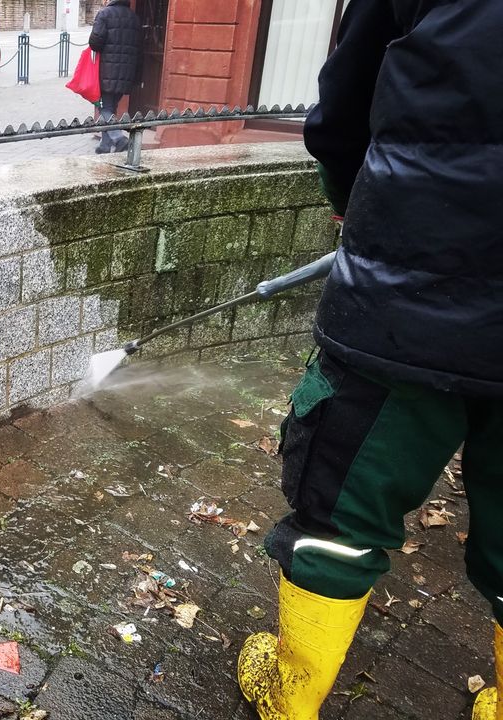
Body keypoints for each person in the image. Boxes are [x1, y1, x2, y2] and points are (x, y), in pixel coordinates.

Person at [237, 2, 503, 719]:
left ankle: (291, 695)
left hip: (407, 313)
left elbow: (341, 111)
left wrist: (352, 202)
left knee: (340, 515)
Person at [88, 0, 142, 154]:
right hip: (127, 72)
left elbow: (95, 43)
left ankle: (119, 138)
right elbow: (139, 48)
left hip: (107, 71)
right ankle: (105, 146)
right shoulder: (134, 18)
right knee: (111, 108)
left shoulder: (104, 14)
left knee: (103, 108)